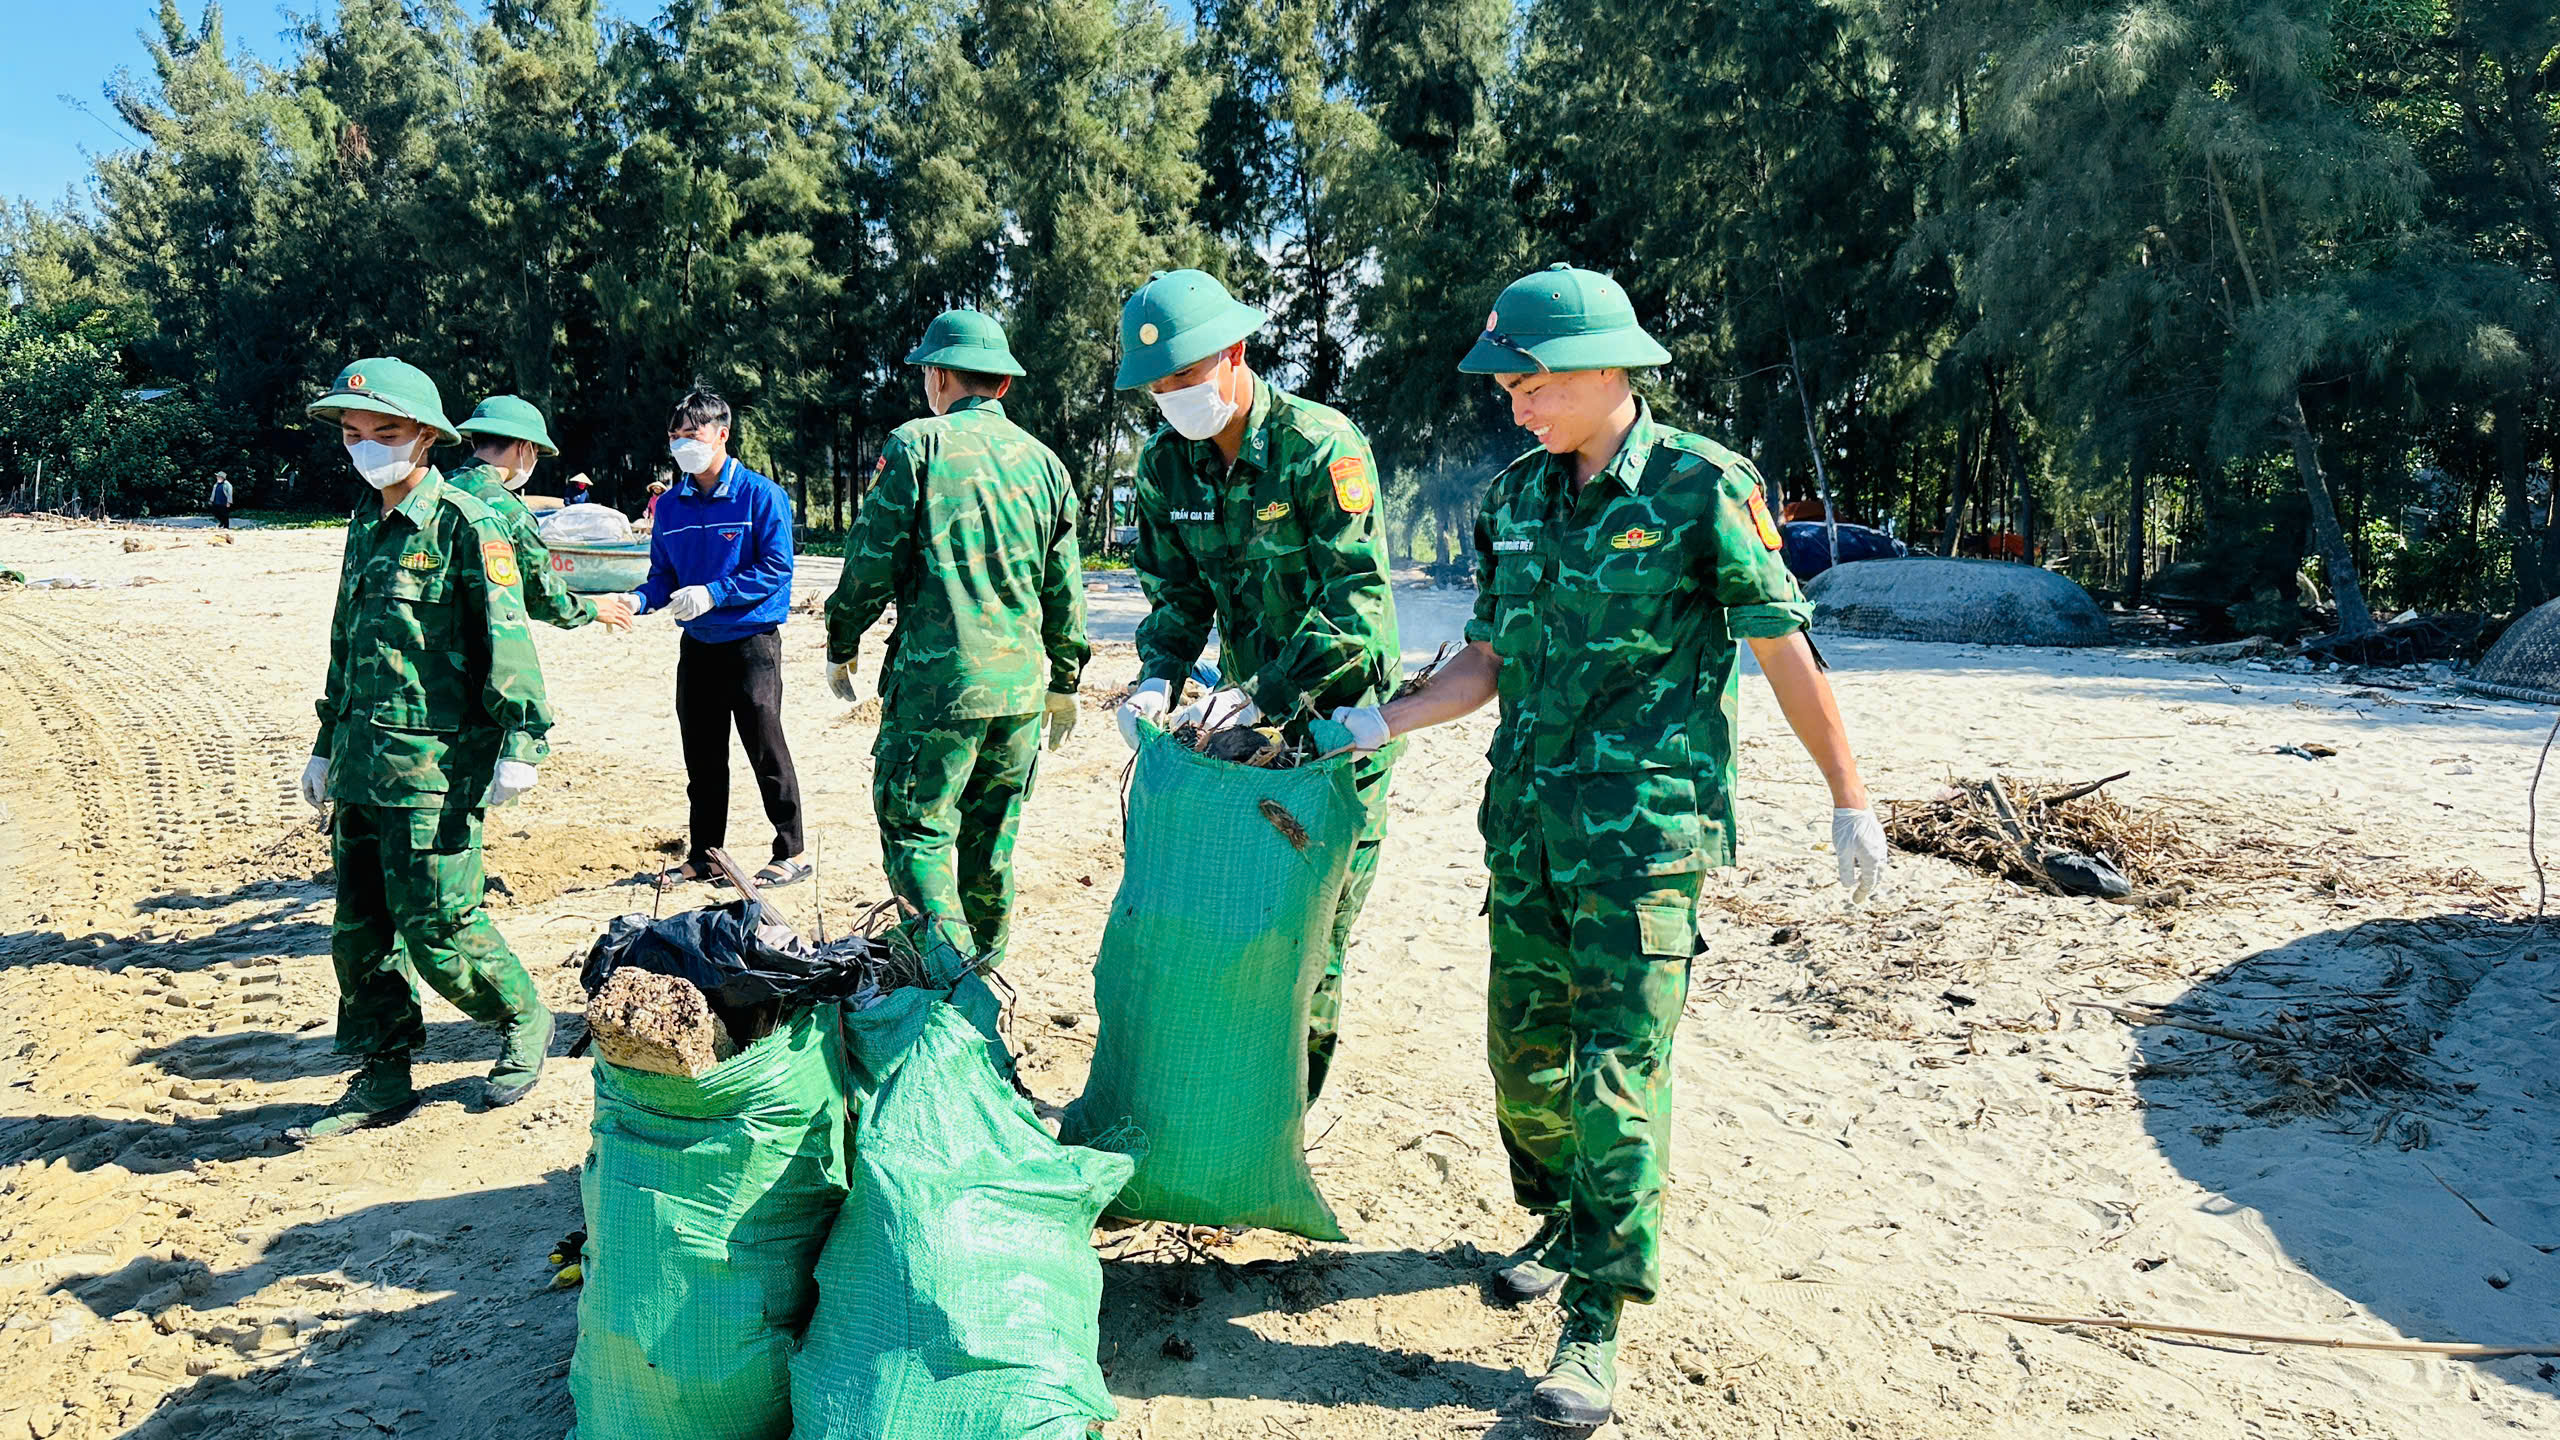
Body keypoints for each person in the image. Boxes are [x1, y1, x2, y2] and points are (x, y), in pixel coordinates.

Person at [1326, 265, 1892, 1428]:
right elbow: (1488, 658)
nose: (1515, 404)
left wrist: (1850, 794)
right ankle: (1561, 1211)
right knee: (1521, 1068)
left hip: (1643, 841)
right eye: (1509, 387)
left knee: (1614, 1077)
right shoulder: (1516, 501)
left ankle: (1594, 1319)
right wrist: (1382, 718)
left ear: (1603, 369)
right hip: (1527, 829)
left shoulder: (1700, 489)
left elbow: (1782, 647)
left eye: (1530, 383)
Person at [1108, 269, 1403, 1103]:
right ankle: (1224, 1096)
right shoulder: (1168, 466)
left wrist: (1263, 693)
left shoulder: (1321, 447)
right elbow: (1178, 596)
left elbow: (1355, 607)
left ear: (1234, 353)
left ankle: (1282, 1114)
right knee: (1233, 921)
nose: (1171, 399)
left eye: (1184, 379)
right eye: (1156, 387)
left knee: (1313, 937)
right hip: (1240, 736)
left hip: (1338, 731)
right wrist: (1156, 680)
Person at [293, 357, 558, 1140]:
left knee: (439, 926)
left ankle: (522, 1015)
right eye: (353, 434)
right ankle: (382, 1073)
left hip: (436, 765)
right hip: (359, 759)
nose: (366, 446)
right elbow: (348, 643)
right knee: (361, 929)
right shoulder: (365, 524)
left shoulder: (466, 527)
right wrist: (322, 745)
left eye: (385, 431)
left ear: (427, 438)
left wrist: (523, 742)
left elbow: (507, 643)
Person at [824, 309, 1087, 985]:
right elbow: (1063, 587)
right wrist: (1064, 678)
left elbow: (871, 560)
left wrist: (841, 638)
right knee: (990, 842)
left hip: (940, 687)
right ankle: (986, 972)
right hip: (1021, 694)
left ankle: (953, 990)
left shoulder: (918, 447)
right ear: (1001, 384)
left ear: (937, 375)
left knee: (918, 835)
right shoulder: (1048, 465)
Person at [619, 389, 808, 888]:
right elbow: (662, 576)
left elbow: (777, 568)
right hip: (697, 647)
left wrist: (716, 592)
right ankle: (706, 856)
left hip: (751, 644)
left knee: (765, 748)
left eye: (693, 434)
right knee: (702, 756)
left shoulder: (761, 496)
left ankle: (791, 851)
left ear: (722, 434)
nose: (683, 444)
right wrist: (639, 601)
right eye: (675, 436)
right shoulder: (671, 507)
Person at [449, 395, 634, 633]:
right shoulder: (510, 511)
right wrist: (593, 607)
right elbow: (542, 599)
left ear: (475, 441)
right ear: (525, 447)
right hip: (465, 649)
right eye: (536, 452)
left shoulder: (433, 487)